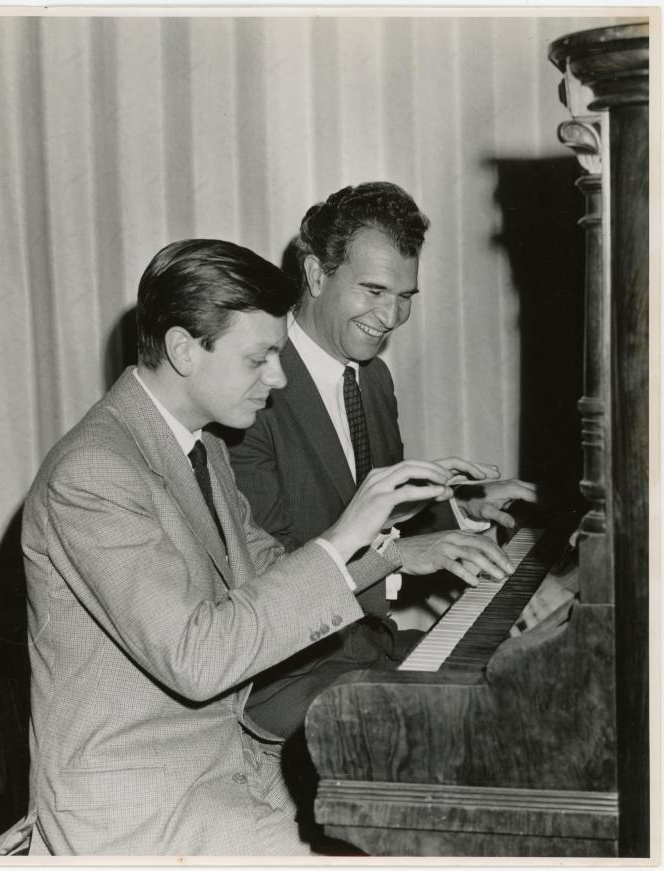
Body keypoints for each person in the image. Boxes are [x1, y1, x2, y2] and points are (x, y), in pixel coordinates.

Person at [20, 238, 514, 857]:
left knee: (435, 812)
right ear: (182, 349)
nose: (277, 379)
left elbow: (271, 571)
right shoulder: (94, 475)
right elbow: (198, 658)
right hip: (139, 803)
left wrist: (390, 544)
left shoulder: (202, 446)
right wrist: (344, 533)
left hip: (227, 763)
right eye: (260, 358)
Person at [223, 183, 537, 814]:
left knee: (520, 693)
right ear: (314, 273)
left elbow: (373, 508)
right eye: (373, 291)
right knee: (463, 752)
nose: (390, 318)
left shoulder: (371, 377)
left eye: (405, 298)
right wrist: (401, 556)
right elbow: (270, 567)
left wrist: (461, 508)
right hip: (286, 676)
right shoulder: (249, 387)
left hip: (367, 646)